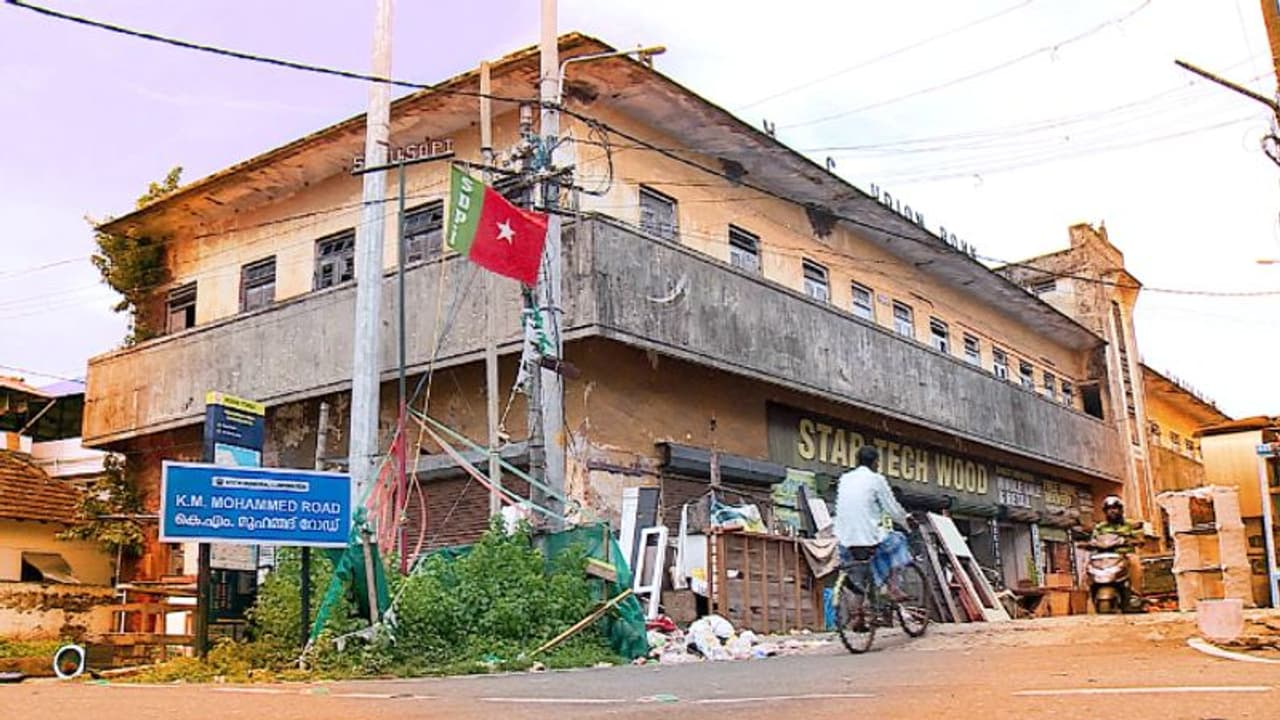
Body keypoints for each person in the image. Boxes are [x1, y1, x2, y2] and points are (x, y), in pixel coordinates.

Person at [835, 445, 912, 619]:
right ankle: (893, 587)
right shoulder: (876, 480)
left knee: (859, 573)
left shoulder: (844, 479)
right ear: (876, 462)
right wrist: (906, 521)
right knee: (899, 540)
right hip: (868, 537)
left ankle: (858, 616)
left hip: (844, 540)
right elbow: (892, 509)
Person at [1091, 495, 1144, 603]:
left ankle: (1135, 593)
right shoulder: (1100, 527)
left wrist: (1130, 541)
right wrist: (1089, 544)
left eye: (1115, 508)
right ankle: (1090, 592)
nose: (1112, 511)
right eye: (1108, 509)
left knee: (1135, 563)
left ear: (1120, 510)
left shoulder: (1130, 524)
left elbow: (1139, 539)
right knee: (1087, 567)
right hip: (1104, 556)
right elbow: (1094, 539)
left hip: (1125, 555)